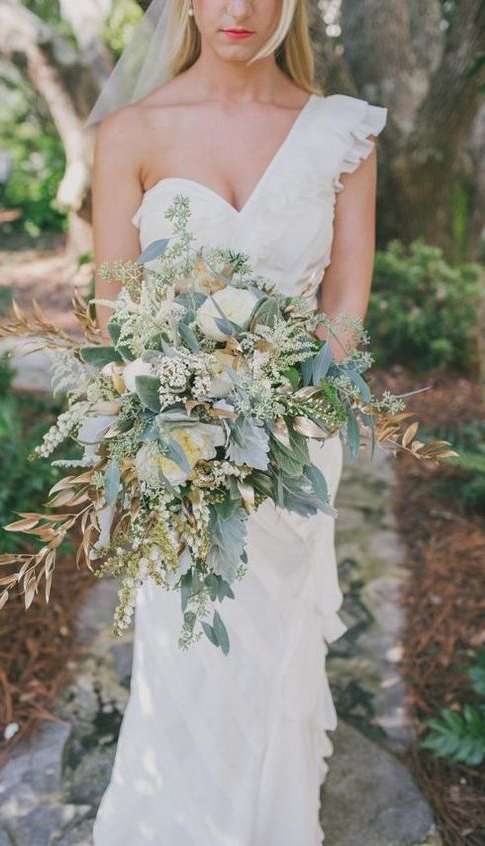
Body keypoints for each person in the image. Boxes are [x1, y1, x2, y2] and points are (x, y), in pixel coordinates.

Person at [88, 1, 387, 843]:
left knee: (272, 648)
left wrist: (284, 405)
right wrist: (174, 417)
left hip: (292, 441)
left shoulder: (342, 134)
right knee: (184, 651)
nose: (239, 9)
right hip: (175, 446)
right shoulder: (130, 134)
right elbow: (114, 318)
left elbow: (344, 303)